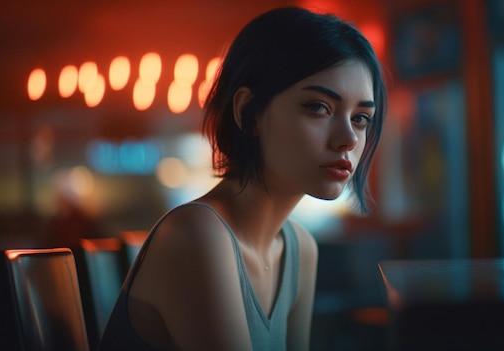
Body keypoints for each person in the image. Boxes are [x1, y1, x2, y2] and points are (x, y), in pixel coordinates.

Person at [98, 6, 387, 351]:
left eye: (361, 118)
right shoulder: (197, 235)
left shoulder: (300, 249)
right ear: (247, 113)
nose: (349, 139)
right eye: (318, 107)